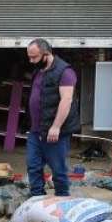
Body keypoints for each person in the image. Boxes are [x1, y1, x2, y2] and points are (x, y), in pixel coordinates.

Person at [25, 38, 79, 197]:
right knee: (33, 166)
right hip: (36, 131)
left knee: (58, 169)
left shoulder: (65, 72)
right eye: (29, 57)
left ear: (46, 54)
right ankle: (37, 198)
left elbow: (66, 100)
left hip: (55, 132)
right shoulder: (38, 71)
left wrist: (56, 127)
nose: (31, 61)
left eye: (34, 57)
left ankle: (62, 200)